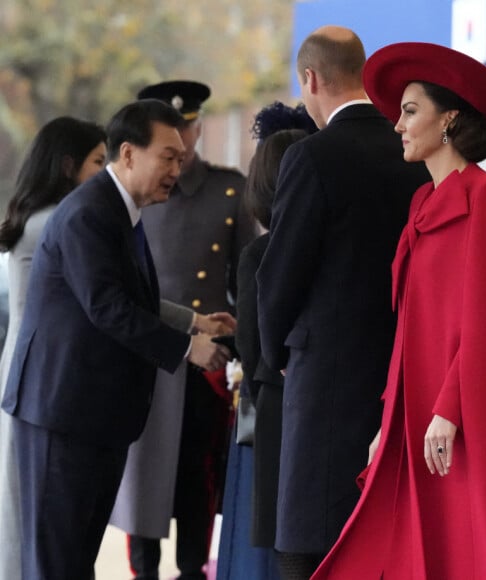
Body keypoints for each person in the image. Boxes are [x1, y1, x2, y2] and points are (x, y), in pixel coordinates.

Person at [312, 42, 486, 580]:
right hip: (415, 408)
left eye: (410, 111)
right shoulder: (420, 204)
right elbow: (410, 325)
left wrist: (449, 409)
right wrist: (390, 415)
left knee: (464, 543)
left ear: (448, 117)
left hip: (461, 410)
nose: (399, 126)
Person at [1, 99, 232, 580]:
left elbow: (137, 299)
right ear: (127, 154)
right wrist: (190, 349)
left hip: (94, 419)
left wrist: (195, 323)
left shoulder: (122, 210)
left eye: (180, 156)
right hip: (59, 416)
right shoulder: (89, 213)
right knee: (55, 564)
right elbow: (108, 307)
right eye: (167, 156)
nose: (178, 166)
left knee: (75, 560)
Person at [256, 26, 430, 579]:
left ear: (309, 79)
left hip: (324, 375)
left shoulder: (313, 156)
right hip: (404, 366)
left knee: (309, 541)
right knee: (384, 533)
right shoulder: (414, 151)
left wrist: (273, 350)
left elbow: (280, 271)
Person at [109, 80, 255, 580]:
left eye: (190, 127)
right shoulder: (131, 194)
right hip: (148, 354)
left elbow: (244, 281)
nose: (185, 140)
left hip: (206, 360)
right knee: (144, 475)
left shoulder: (229, 189)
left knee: (198, 474)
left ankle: (193, 570)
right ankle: (143, 572)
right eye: (174, 132)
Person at [0, 116, 107, 580]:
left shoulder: (46, 217)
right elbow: (106, 294)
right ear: (68, 166)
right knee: (26, 515)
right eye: (98, 162)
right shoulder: (58, 221)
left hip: (29, 372)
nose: (105, 174)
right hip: (40, 378)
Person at [218, 102, 317, 580]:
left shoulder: (260, 253)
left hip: (276, 418)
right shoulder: (335, 247)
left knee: (284, 550)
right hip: (330, 417)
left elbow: (253, 350)